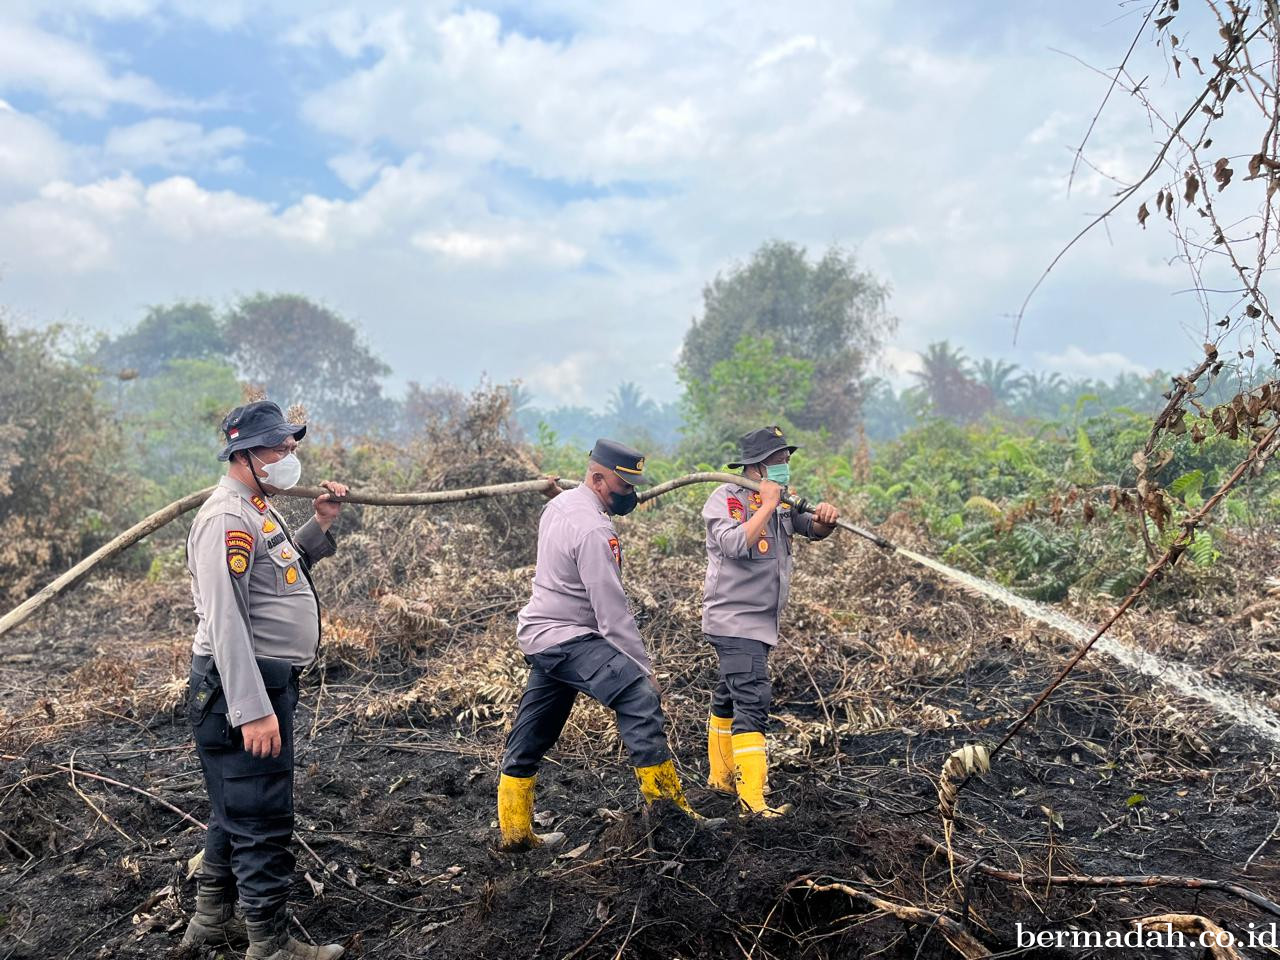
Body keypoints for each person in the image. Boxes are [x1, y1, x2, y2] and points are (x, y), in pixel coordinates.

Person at [182, 400, 349, 960]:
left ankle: (212, 919)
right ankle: (270, 946)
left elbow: (281, 570)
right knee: (260, 817)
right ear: (246, 454)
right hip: (241, 686)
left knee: (234, 808)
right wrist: (252, 709)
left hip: (260, 682)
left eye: (291, 446)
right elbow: (225, 619)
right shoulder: (226, 519)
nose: (290, 456)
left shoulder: (257, 508)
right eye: (280, 448)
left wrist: (321, 522)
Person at [497, 439, 709, 849]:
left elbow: (572, 535)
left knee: (534, 730)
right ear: (597, 479)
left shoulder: (559, 505)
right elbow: (611, 611)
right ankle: (671, 822)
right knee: (639, 697)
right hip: (569, 637)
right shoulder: (595, 530)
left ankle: (515, 833)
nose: (630, 495)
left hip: (541, 636)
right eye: (623, 486)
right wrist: (643, 669)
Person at [701, 425, 839, 817]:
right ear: (758, 466)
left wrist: (826, 520)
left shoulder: (782, 501)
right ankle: (753, 801)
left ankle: (721, 779)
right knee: (752, 698)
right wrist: (765, 505)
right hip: (735, 620)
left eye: (787, 459)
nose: (786, 466)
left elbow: (810, 527)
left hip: (760, 623)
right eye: (779, 460)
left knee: (728, 694)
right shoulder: (726, 499)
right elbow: (733, 544)